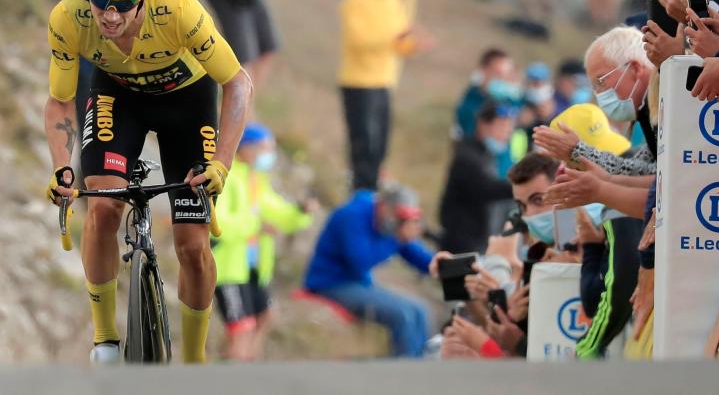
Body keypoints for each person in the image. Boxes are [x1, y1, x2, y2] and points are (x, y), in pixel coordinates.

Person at [43, 0, 254, 364]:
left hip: (187, 104)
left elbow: (237, 84)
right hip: (119, 99)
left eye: (123, 4)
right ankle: (104, 340)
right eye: (100, 2)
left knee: (192, 247)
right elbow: (61, 102)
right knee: (102, 206)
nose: (111, 16)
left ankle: (193, 363)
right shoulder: (69, 19)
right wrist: (63, 167)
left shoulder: (178, 10)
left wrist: (221, 165)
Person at [303, 183, 450, 358]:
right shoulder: (352, 215)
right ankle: (404, 371)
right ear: (384, 207)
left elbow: (414, 253)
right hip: (330, 283)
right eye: (400, 217)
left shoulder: (390, 223)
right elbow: (360, 261)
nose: (401, 223)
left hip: (358, 283)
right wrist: (397, 237)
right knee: (402, 315)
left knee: (420, 311)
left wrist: (439, 264)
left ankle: (418, 366)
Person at [212, 122, 315, 361]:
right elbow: (219, 225)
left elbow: (277, 212)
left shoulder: (256, 180)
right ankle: (234, 374)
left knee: (264, 315)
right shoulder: (228, 178)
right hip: (229, 269)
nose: (268, 155)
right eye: (263, 148)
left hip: (253, 268)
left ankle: (243, 366)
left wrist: (300, 211)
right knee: (242, 328)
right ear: (245, 149)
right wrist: (256, 226)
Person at [337, 0, 434, 191]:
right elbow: (359, 40)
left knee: (380, 146)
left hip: (385, 81)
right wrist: (394, 39)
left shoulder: (394, 0)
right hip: (358, 81)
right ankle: (360, 192)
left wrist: (413, 44)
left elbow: (399, 44)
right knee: (364, 145)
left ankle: (371, 190)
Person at [438, 101, 516, 255]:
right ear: (483, 125)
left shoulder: (486, 155)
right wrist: (524, 185)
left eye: (508, 129)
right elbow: (487, 188)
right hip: (462, 243)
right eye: (501, 127)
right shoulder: (468, 156)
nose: (505, 134)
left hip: (478, 239)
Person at [454, 48, 519, 140]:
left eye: (507, 74)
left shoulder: (510, 100)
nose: (504, 79)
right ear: (484, 71)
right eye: (498, 73)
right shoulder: (469, 104)